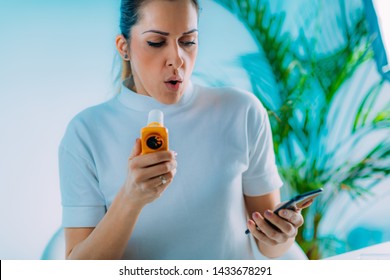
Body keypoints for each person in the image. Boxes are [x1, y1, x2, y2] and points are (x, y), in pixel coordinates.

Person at [59, 0, 310, 260]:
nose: (177, 59)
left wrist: (282, 235)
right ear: (125, 48)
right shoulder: (86, 133)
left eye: (188, 41)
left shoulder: (241, 111)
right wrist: (131, 198)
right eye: (157, 42)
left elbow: (269, 246)